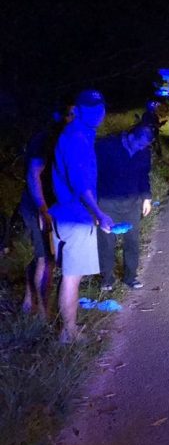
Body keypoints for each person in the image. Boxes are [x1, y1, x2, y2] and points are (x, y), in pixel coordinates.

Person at [50, 90, 114, 343]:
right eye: (91, 108)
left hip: (70, 212)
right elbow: (80, 183)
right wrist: (99, 213)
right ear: (78, 109)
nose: (98, 113)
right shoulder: (76, 137)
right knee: (72, 277)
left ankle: (69, 327)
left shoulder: (81, 134)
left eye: (100, 107)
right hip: (75, 215)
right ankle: (69, 333)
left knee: (70, 275)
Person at [19, 104, 74, 318]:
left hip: (50, 206)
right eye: (70, 114)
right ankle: (43, 313)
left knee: (43, 257)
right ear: (60, 116)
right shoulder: (45, 139)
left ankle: (29, 299)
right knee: (46, 259)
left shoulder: (61, 138)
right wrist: (43, 210)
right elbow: (33, 176)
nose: (73, 118)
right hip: (39, 207)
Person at [95, 124, 154, 290]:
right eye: (140, 144)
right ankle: (107, 278)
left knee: (132, 241)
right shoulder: (107, 147)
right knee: (106, 242)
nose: (141, 148)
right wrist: (94, 204)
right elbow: (94, 174)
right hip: (107, 202)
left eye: (145, 146)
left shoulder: (143, 152)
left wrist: (146, 198)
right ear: (130, 136)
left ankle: (131, 276)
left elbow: (144, 176)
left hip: (132, 202)